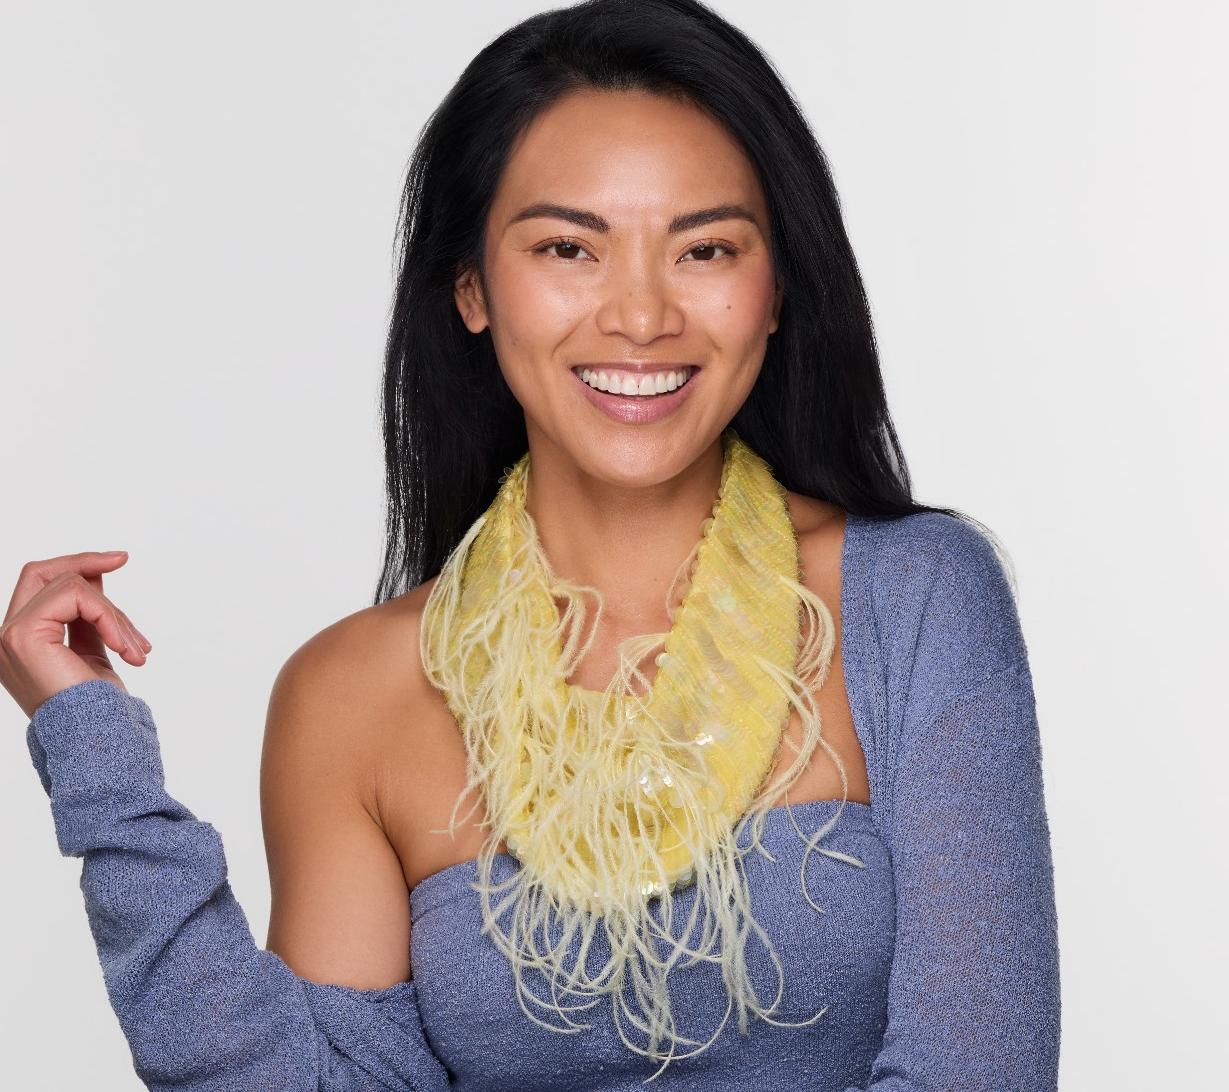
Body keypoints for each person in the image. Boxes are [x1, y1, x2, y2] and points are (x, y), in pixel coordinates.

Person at [2, 0, 1060, 1088]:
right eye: (568, 247)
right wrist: (96, 756)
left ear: (777, 286)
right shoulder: (348, 694)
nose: (640, 316)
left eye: (703, 248)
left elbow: (976, 1070)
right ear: (469, 287)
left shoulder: (916, 597)